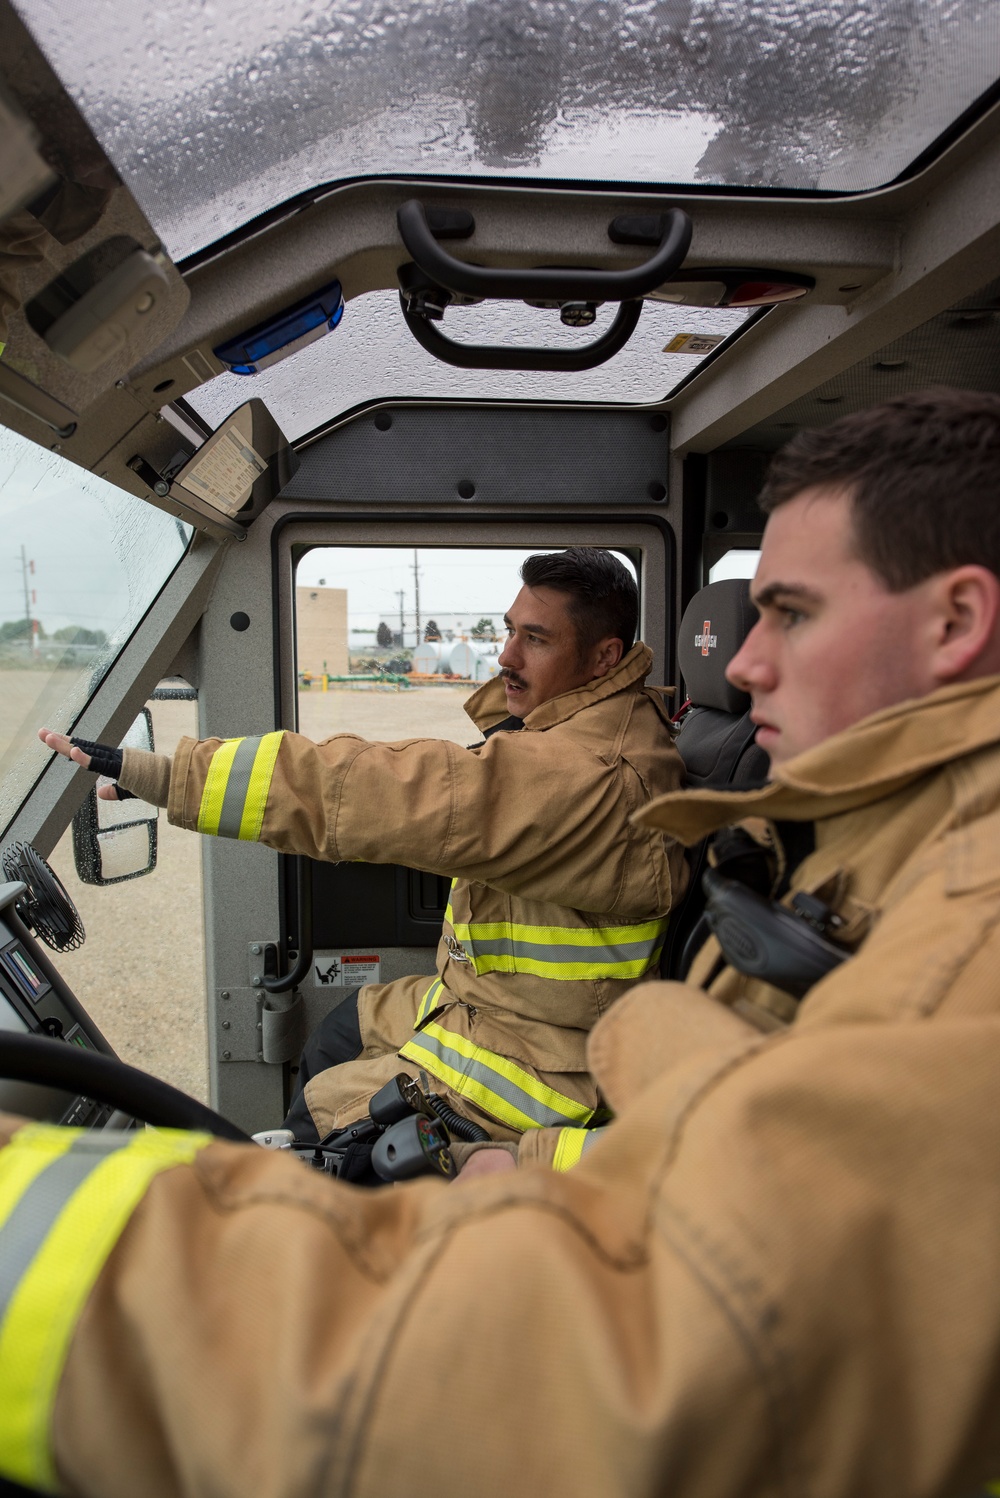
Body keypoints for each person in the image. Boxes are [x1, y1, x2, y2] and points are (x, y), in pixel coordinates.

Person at [8, 387, 1000, 1496]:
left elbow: (660, 1358)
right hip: (511, 1053)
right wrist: (666, 1040)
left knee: (321, 1119)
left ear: (956, 622)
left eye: (794, 613)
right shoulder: (869, 821)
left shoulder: (945, 918)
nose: (747, 662)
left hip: (531, 1101)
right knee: (343, 1039)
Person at [39, 547, 687, 1155]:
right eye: (509, 630)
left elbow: (384, 789)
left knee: (326, 1115)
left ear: (604, 659)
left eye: (536, 639)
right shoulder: (575, 730)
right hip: (493, 1006)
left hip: (543, 1060)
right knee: (346, 1024)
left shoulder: (590, 773)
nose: (505, 657)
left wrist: (164, 776)